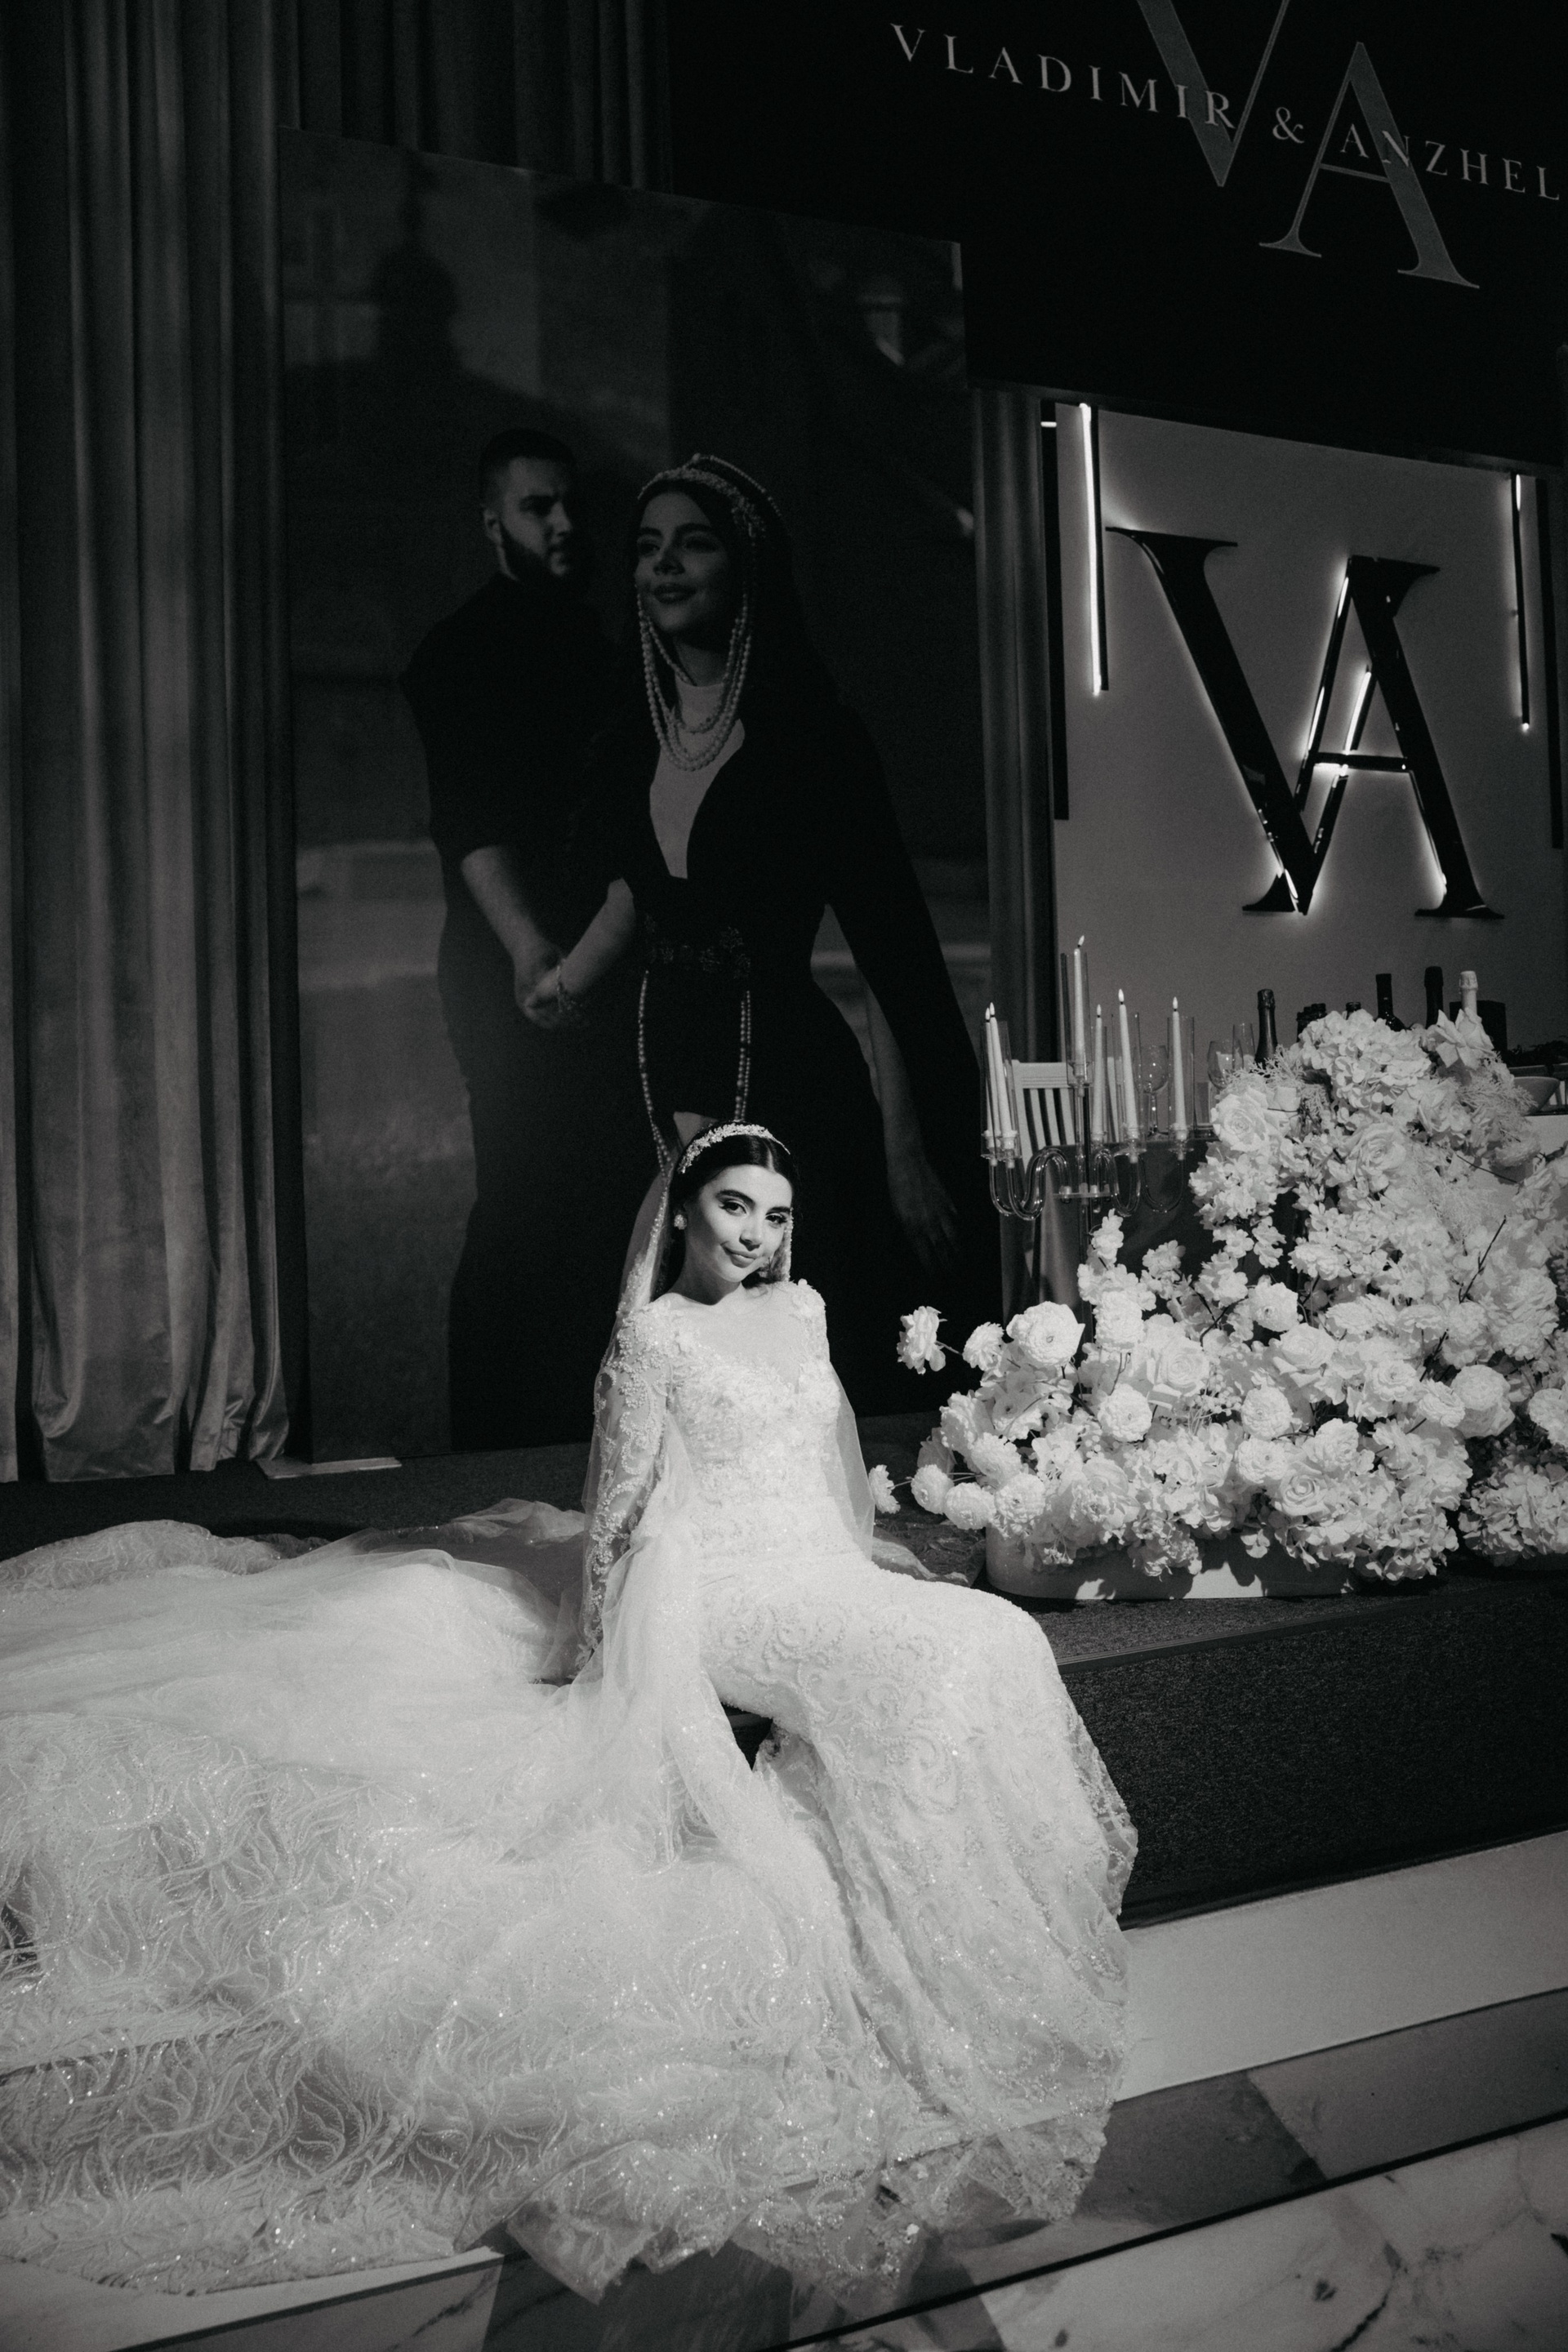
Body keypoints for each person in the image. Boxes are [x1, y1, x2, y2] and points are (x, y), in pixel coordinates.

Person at [0, 1125, 1134, 2307]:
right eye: (736, 1207)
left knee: (995, 1638)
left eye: (777, 1215)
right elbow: (622, 1504)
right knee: (932, 1669)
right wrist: (597, 1642)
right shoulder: (656, 1336)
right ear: (683, 1209)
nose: (758, 1234)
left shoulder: (802, 1312)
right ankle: (931, 1966)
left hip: (818, 1571)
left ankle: (974, 1935)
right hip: (728, 1592)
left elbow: (830, 1458)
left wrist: (867, 1565)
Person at [524, 456, 996, 1413]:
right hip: (657, 1070)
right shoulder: (633, 735)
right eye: (648, 547)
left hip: (788, 1078)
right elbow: (638, 895)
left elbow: (889, 952)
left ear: (744, 569)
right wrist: (562, 984)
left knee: (795, 1361)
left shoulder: (814, 738)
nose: (665, 565)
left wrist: (903, 1151)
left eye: (693, 544)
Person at [401, 426, 652, 1446]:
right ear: (492, 520)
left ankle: (576, 1435)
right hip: (506, 968)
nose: (562, 524)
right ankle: (492, 1441)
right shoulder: (460, 651)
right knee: (521, 1194)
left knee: (599, 1196)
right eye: (537, 506)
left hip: (601, 960)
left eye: (571, 506)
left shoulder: (605, 648)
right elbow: (470, 824)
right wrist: (530, 953)